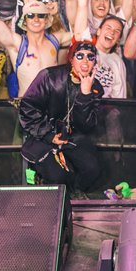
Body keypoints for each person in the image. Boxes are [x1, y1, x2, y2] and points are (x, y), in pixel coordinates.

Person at [18, 38, 104, 192]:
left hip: (71, 138)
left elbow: (86, 126)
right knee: (58, 178)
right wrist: (48, 134)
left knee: (92, 170)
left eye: (90, 57)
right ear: (71, 59)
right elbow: (27, 107)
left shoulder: (95, 87)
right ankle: (55, 196)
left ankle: (73, 195)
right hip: (42, 136)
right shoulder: (49, 77)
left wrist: (85, 94)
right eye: (80, 56)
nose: (85, 61)